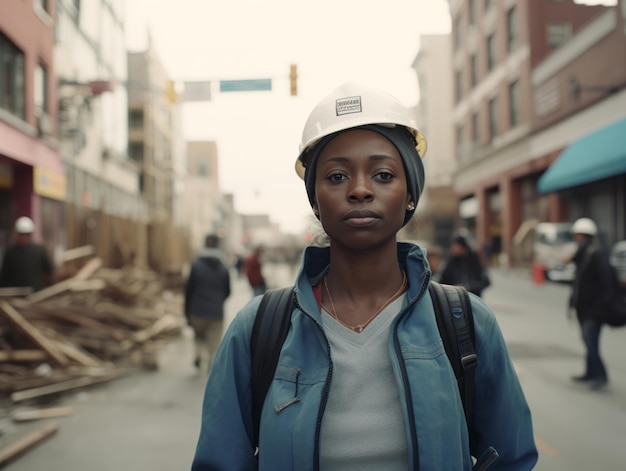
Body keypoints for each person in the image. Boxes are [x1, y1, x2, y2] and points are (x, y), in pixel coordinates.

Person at [192, 83, 537, 470]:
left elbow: (513, 458)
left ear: (410, 194)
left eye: (383, 174)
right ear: (315, 200)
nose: (359, 190)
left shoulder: (466, 323)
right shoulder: (257, 330)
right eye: (337, 177)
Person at [568, 217, 614, 390]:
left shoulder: (596, 254)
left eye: (578, 235)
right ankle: (589, 372)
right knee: (588, 341)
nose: (576, 238)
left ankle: (600, 376)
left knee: (590, 341)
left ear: (584, 236)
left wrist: (599, 308)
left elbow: (606, 284)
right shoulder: (583, 255)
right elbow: (579, 282)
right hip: (583, 308)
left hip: (593, 311)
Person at [184, 234, 231, 371]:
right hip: (216, 312)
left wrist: (187, 311)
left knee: (199, 336)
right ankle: (211, 364)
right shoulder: (223, 267)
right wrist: (217, 301)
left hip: (196, 310)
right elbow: (228, 291)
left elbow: (188, 290)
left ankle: (198, 355)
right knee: (214, 342)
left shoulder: (195, 265)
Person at [0, 216, 53, 292]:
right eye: (21, 234)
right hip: (15, 296)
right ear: (17, 235)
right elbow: (4, 277)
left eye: (26, 234)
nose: (23, 237)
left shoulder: (39, 251)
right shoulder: (10, 253)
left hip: (36, 295)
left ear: (30, 235)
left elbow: (49, 272)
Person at [438, 233, 491, 297]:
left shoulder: (474, 261)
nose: (452, 248)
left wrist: (467, 286)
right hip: (455, 299)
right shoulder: (451, 262)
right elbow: (442, 281)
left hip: (473, 299)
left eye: (456, 245)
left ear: (463, 247)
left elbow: (485, 281)